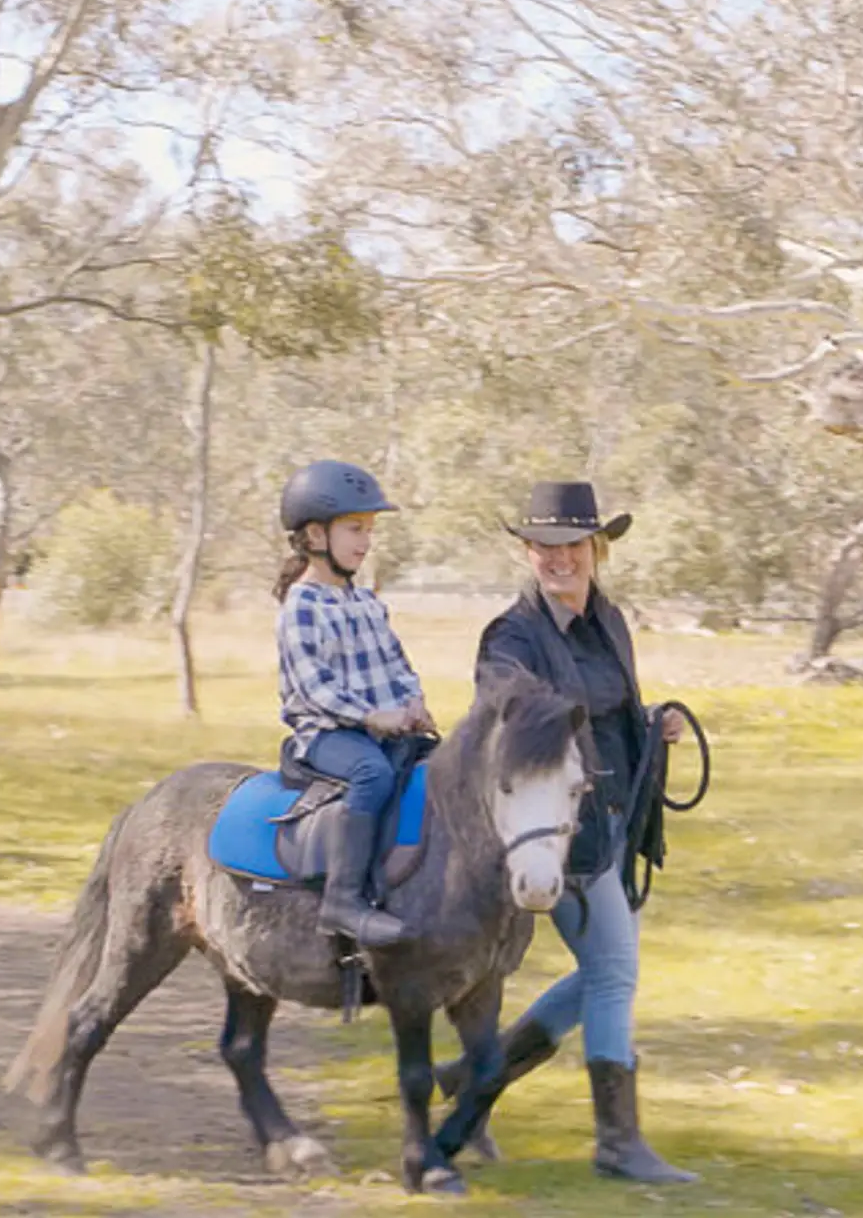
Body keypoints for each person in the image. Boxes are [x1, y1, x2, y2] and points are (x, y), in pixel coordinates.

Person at [468, 480, 696, 1184]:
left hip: (615, 818)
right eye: (543, 545)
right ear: (528, 551)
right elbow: (511, 719)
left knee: (605, 970)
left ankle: (473, 1082)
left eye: (570, 545)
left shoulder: (607, 621)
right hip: (555, 829)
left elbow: (607, 709)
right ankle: (617, 1142)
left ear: (596, 548)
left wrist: (652, 720)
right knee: (614, 972)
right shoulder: (511, 637)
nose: (557, 558)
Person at [274, 459, 435, 949]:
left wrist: (413, 702)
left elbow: (396, 662)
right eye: (354, 529)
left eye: (368, 530)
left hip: (384, 725)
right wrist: (372, 716)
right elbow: (314, 688)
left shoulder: (365, 601)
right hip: (329, 734)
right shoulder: (301, 606)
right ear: (316, 536)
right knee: (374, 775)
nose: (364, 541)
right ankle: (342, 901)